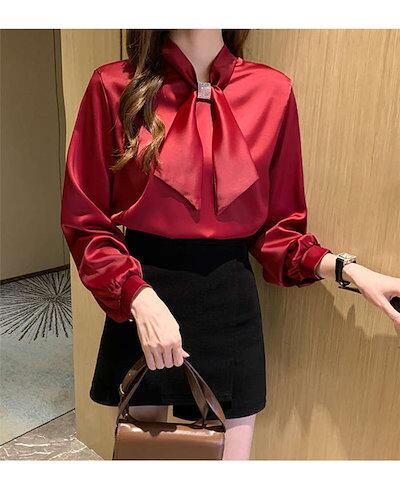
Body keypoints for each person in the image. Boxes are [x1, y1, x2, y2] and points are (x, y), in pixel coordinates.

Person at [60, 29, 400, 460]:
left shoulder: (272, 91)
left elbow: (277, 230)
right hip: (140, 298)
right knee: (144, 457)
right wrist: (138, 297)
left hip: (229, 306)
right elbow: (86, 222)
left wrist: (350, 271)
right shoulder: (112, 86)